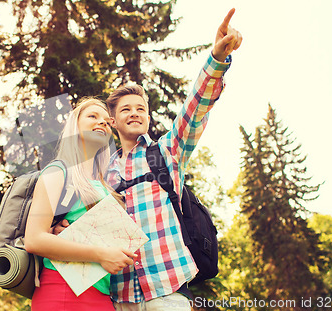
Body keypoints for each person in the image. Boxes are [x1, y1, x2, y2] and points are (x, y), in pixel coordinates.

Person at [102, 8, 243, 311]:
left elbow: (195, 108)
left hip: (167, 290)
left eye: (140, 108)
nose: (134, 113)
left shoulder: (167, 151)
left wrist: (217, 59)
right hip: (118, 296)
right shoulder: (102, 174)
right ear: (113, 122)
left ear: (148, 116)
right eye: (125, 109)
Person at [24, 98, 137, 311]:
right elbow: (34, 239)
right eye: (93, 116)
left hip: (103, 295)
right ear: (74, 126)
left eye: (106, 120)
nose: (102, 122)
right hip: (62, 292)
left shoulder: (106, 185)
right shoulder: (58, 172)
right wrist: (102, 255)